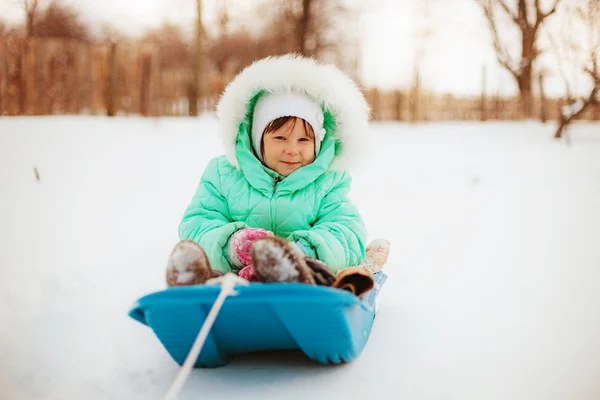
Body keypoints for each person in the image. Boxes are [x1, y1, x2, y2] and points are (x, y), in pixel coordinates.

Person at [165, 54, 374, 290]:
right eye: (280, 138)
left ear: (317, 143)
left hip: (299, 278)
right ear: (257, 139)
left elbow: (346, 233)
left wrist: (300, 252)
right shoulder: (224, 173)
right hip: (234, 277)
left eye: (304, 139)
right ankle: (192, 293)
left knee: (325, 273)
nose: (292, 150)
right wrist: (233, 246)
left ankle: (295, 281)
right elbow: (197, 222)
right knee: (205, 259)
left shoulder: (328, 181)